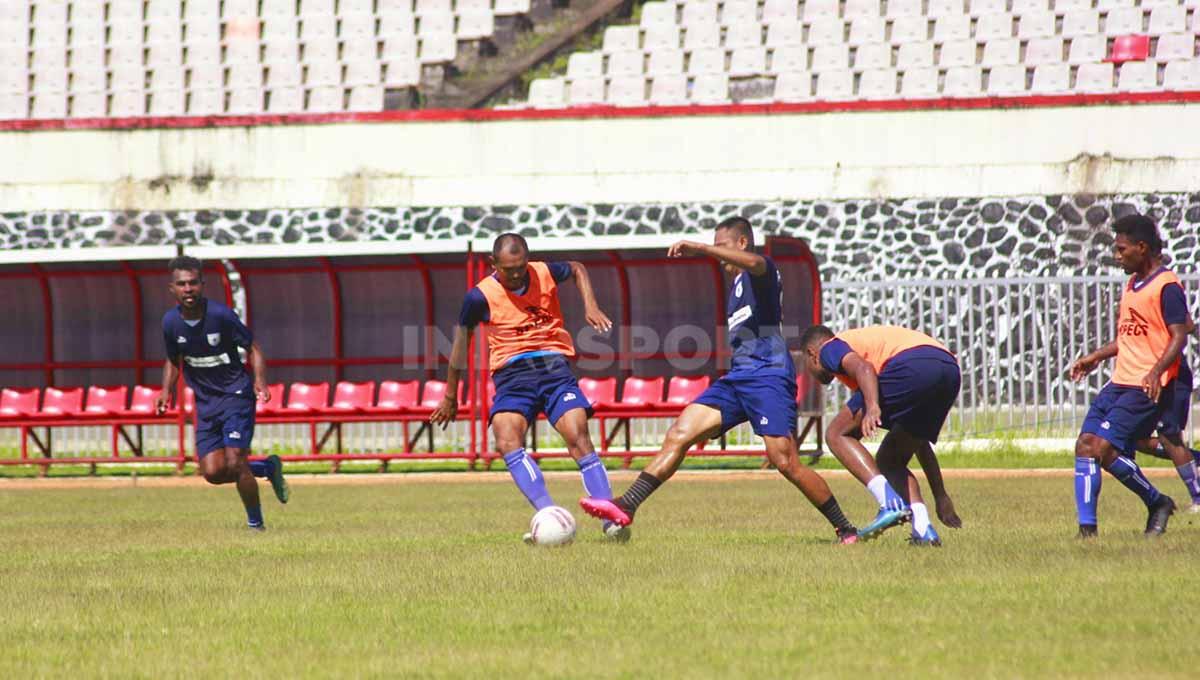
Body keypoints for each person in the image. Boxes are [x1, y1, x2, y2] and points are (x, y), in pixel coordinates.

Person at [579, 217, 862, 544]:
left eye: (722, 246)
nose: (717, 253)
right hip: (738, 379)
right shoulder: (736, 288)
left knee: (784, 461)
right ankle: (627, 504)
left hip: (768, 376)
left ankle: (845, 528)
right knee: (680, 433)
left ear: (742, 243)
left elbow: (756, 262)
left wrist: (700, 247)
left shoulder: (763, 272)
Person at [430, 233, 625, 542]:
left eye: (521, 266)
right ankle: (550, 517)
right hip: (512, 377)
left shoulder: (544, 272)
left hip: (553, 369)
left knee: (578, 436)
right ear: (494, 264)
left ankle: (611, 520)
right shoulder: (478, 297)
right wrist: (450, 396)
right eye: (509, 269)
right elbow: (460, 343)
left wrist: (591, 305)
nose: (518, 274)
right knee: (507, 441)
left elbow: (576, 267)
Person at [1070, 214, 1190, 537]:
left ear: (1142, 247)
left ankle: (1157, 502)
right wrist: (1095, 357)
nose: (1117, 255)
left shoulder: (1167, 286)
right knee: (1085, 445)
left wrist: (1155, 372)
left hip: (1146, 387)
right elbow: (1129, 337)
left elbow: (1179, 336)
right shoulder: (1132, 284)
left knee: (1106, 448)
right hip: (1120, 382)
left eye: (1122, 249)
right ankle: (1087, 532)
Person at [154, 256, 289, 530]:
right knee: (213, 473)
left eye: (193, 283)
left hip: (235, 395)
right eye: (182, 284)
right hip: (206, 403)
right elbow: (173, 358)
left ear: (203, 285)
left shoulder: (221, 315)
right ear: (172, 289)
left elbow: (254, 348)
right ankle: (266, 468)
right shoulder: (170, 322)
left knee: (236, 460)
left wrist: (260, 381)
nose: (188, 289)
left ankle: (256, 526)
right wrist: (166, 390)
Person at [797, 324, 963, 545]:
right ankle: (923, 530)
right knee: (890, 460)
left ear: (811, 354)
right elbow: (919, 443)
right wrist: (940, 495)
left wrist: (872, 405)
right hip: (948, 371)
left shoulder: (828, 348)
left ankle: (889, 503)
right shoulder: (871, 360)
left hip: (911, 365)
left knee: (836, 434)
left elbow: (864, 369)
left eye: (806, 364)